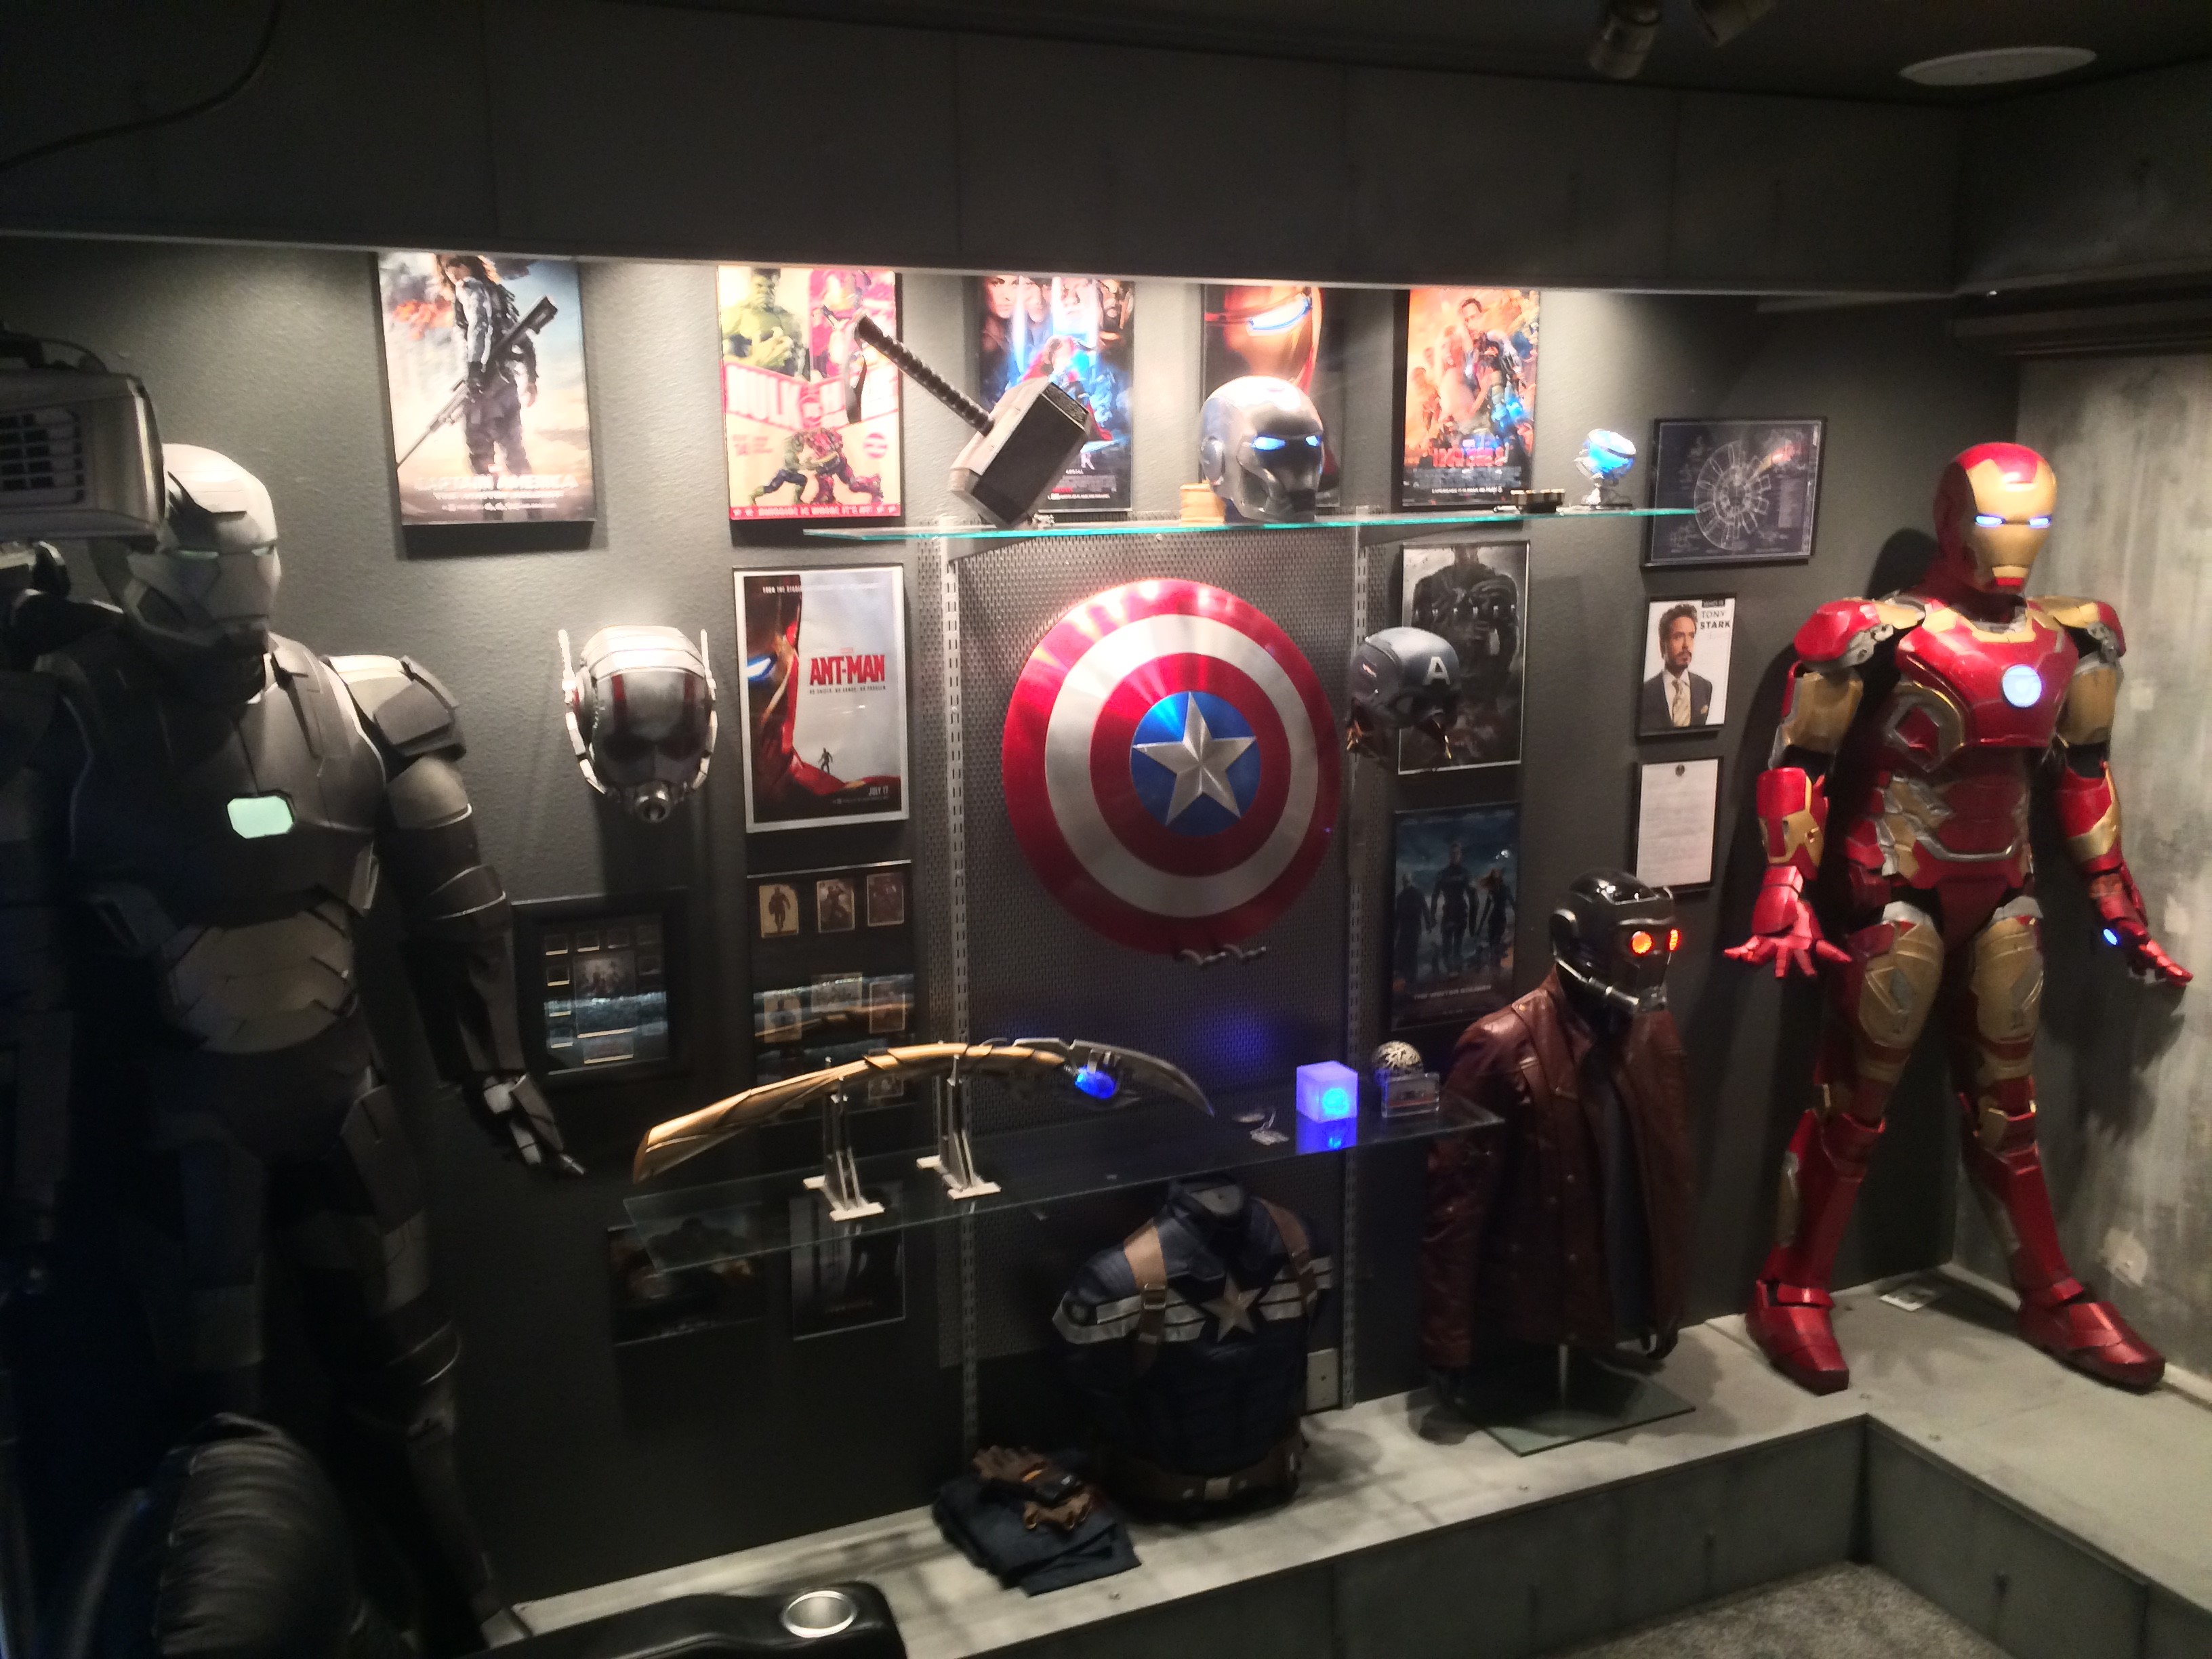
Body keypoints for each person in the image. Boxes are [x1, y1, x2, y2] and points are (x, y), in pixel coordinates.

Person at [1729, 442, 2187, 1395]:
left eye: (2033, 522)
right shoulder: (1868, 633)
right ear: (1950, 517)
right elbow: (1801, 763)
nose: (2014, 542)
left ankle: (2050, 1291)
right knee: (1855, 1102)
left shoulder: (2074, 637)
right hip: (1894, 889)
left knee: (2008, 1106)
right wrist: (1785, 884)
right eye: (1993, 519)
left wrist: (2113, 895)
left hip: (2005, 889)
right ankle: (1791, 1287)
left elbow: (2083, 770)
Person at [436, 253, 536, 485]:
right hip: (505, 384)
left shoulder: (467, 286)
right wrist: (532, 377)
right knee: (515, 453)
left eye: (457, 264)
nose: (453, 272)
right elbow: (522, 337)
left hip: (482, 387)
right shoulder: (497, 293)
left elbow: (480, 324)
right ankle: (531, 506)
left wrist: (474, 369)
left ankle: (494, 506)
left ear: (469, 263)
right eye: (447, 268)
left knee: (482, 459)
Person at [1640, 602, 1713, 730]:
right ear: (1662, 644)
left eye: (1691, 636)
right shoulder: (1645, 692)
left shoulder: (1705, 687)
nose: (1686, 645)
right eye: (1678, 637)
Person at [1433, 842, 1476, 975]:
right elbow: (1435, 896)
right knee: (1446, 946)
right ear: (1449, 855)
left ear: (1460, 855)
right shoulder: (1443, 874)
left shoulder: (1465, 873)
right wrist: (1432, 916)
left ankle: (1457, 972)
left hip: (1461, 912)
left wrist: (1473, 921)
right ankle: (1450, 970)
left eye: (1457, 853)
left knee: (1458, 945)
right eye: (1452, 853)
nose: (1455, 856)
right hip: (1448, 912)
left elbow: (1473, 897)